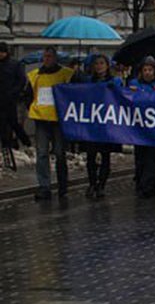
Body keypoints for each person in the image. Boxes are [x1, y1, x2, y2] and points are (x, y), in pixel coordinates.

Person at [24, 47, 75, 201]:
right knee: (41, 154)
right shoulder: (35, 75)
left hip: (58, 121)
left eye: (50, 56)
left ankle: (62, 185)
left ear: (55, 58)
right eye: (45, 56)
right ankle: (44, 186)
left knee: (60, 153)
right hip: (41, 121)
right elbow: (28, 95)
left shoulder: (65, 74)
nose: (47, 59)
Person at [80, 55, 123, 199]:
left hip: (107, 123)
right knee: (91, 155)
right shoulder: (88, 81)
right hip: (92, 123)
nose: (99, 66)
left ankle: (102, 185)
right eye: (96, 63)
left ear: (107, 65)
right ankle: (92, 183)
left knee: (105, 155)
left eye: (101, 63)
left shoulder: (114, 81)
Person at [128, 57, 155, 198]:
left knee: (152, 156)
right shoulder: (135, 84)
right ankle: (141, 181)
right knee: (140, 156)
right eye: (145, 70)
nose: (147, 73)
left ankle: (148, 185)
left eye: (150, 70)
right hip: (139, 127)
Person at [0, 42, 29, 157]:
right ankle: (6, 148)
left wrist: (13, 93)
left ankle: (26, 142)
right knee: (2, 124)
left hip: (10, 99)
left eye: (2, 52)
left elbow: (21, 80)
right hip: (1, 99)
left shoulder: (14, 64)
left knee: (13, 123)